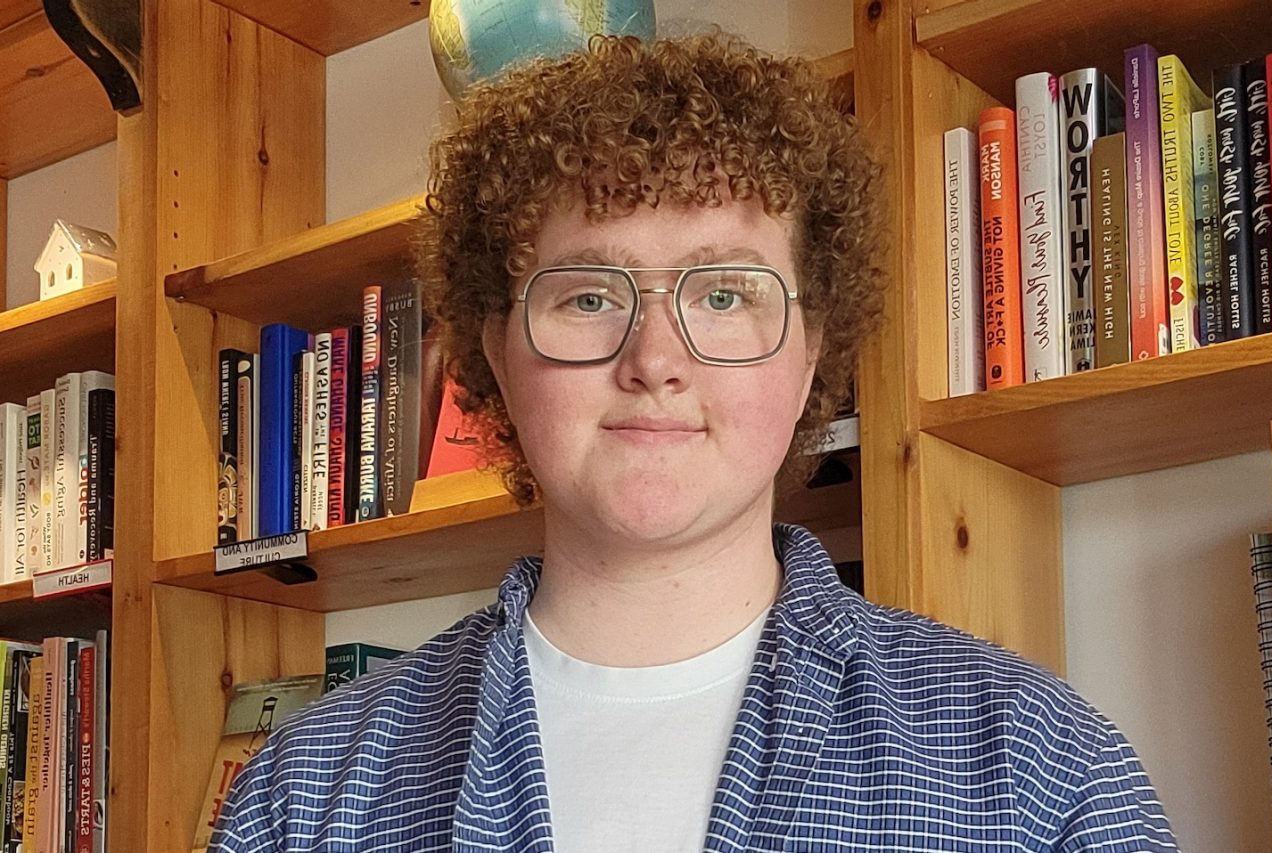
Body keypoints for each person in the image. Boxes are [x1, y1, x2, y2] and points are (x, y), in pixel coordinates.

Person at [209, 34, 1177, 852]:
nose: (655, 359)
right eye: (589, 295)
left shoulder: (1042, 777)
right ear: (493, 352)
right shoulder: (300, 804)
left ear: (810, 357)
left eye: (723, 294)